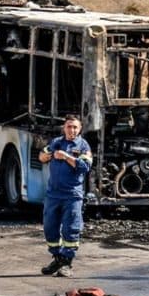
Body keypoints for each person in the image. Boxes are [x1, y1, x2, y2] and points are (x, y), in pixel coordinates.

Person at [39, 114, 92, 278]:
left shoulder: (83, 146)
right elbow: (41, 156)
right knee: (49, 227)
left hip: (72, 195)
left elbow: (85, 166)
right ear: (64, 128)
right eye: (69, 127)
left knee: (71, 229)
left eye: (75, 127)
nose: (72, 130)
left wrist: (67, 157)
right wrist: (50, 155)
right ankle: (57, 258)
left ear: (80, 128)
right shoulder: (57, 142)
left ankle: (67, 263)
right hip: (53, 195)